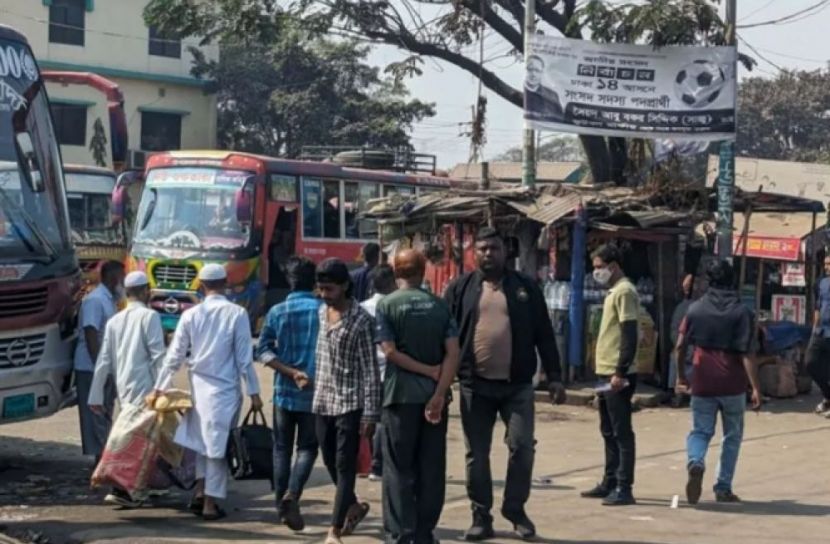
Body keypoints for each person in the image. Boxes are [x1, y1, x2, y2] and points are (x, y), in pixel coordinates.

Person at [444, 227, 565, 541]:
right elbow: (445, 335)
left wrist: (555, 376)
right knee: (476, 454)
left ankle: (515, 509)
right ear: (474, 253)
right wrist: (440, 381)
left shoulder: (525, 288)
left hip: (517, 387)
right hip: (474, 386)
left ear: (505, 252)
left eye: (494, 248)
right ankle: (480, 516)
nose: (488, 254)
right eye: (482, 248)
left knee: (522, 448)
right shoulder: (460, 288)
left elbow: (544, 333)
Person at [148, 263, 262, 521]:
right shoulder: (237, 314)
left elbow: (174, 356)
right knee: (217, 450)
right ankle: (209, 504)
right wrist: (254, 393)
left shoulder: (191, 315)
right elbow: (244, 359)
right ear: (226, 284)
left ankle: (200, 493)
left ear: (200, 285)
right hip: (225, 392)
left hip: (199, 390)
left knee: (203, 445)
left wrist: (159, 387)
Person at [376, 249, 460, 544]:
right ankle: (425, 532)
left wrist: (426, 370)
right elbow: (453, 353)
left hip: (399, 397)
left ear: (396, 272)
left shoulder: (387, 305)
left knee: (398, 468)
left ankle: (401, 533)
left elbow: (389, 352)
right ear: (423, 271)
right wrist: (439, 392)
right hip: (434, 400)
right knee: (431, 467)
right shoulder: (439, 306)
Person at [675, 259, 762, 505]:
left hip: (702, 381)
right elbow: (747, 354)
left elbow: (680, 346)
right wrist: (756, 388)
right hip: (733, 385)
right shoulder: (742, 312)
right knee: (732, 436)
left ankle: (696, 461)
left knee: (700, 431)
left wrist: (681, 375)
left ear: (708, 281)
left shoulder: (694, 310)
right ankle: (723, 487)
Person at [313, 258, 382, 544]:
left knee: (344, 465)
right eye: (321, 289)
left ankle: (334, 529)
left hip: (351, 402)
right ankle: (352, 504)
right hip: (323, 399)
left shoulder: (361, 321)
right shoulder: (321, 312)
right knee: (329, 459)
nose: (324, 295)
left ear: (344, 286)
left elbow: (370, 370)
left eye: (329, 289)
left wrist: (370, 414)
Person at [88, 271, 167, 508]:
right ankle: (124, 489)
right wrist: (166, 388)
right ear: (146, 291)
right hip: (147, 389)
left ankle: (141, 485)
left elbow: (104, 360)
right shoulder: (149, 316)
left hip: (124, 387)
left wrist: (95, 394)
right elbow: (158, 355)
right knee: (135, 442)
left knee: (143, 440)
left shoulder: (115, 320)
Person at [257, 256, 321, 531]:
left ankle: (280, 505)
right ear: (314, 282)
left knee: (281, 449)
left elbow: (263, 351)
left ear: (289, 281)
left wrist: (290, 372)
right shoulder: (324, 311)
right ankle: (292, 496)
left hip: (284, 392)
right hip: (314, 393)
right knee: (307, 448)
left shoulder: (277, 311)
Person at [580, 244, 639, 506]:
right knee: (607, 429)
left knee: (621, 430)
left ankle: (624, 486)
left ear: (613, 266)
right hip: (605, 371)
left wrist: (620, 371)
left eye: (599, 267)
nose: (596, 272)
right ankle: (610, 480)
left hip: (617, 373)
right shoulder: (613, 291)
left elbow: (629, 333)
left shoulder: (625, 291)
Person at [75, 260, 125, 465]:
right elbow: (91, 333)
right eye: (122, 279)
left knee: (104, 414)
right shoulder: (95, 300)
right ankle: (100, 463)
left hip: (106, 367)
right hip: (91, 368)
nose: (123, 284)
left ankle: (103, 462)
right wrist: (100, 370)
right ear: (113, 279)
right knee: (95, 416)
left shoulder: (109, 300)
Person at [359, 264, 397, 481]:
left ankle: (364, 463)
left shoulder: (361, 308)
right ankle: (377, 465)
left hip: (365, 372)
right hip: (389, 371)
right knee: (383, 420)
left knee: (367, 417)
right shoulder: (395, 306)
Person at [807, 256, 830, 416]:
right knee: (810, 363)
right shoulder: (820, 282)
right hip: (821, 331)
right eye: (826, 264)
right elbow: (817, 307)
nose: (826, 267)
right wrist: (814, 329)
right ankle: (828, 395)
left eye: (829, 264)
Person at [669, 274, 696, 407]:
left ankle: (678, 395)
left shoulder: (684, 307)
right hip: (689, 350)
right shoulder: (690, 308)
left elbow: (674, 333)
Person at [524, 54, 565, 122]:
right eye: (530, 69)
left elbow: (560, 120)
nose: (533, 74)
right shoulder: (517, 92)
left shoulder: (552, 96)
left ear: (542, 73)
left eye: (537, 70)